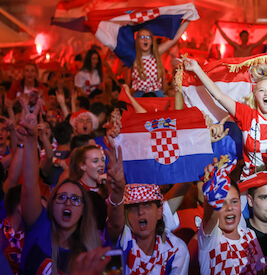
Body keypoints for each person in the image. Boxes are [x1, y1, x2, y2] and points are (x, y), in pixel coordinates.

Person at [18, 115, 101, 274]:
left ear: (84, 209)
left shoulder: (93, 248)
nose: (68, 203)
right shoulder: (40, 226)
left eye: (76, 199)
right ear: (50, 203)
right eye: (61, 197)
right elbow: (29, 184)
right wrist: (30, 139)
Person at [106, 146, 189, 275]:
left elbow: (184, 183)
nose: (140, 212)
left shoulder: (176, 250)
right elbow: (115, 223)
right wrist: (117, 192)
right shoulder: (123, 239)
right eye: (133, 207)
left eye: (147, 205)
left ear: (160, 212)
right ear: (125, 214)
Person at [198, 161, 266, 275]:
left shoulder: (249, 235)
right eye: (222, 204)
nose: (229, 208)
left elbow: (261, 272)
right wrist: (212, 190)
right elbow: (209, 215)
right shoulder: (210, 239)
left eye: (234, 202)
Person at [132, 22, 189, 97]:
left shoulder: (156, 54)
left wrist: (188, 19)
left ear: (152, 41)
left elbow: (176, 37)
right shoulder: (133, 56)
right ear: (137, 40)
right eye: (142, 37)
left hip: (156, 94)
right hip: (139, 95)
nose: (145, 39)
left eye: (148, 37)